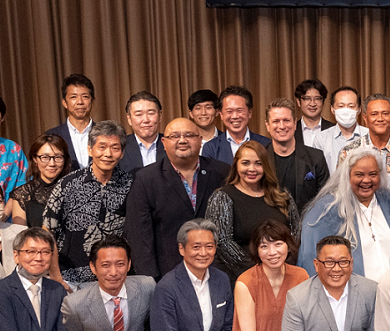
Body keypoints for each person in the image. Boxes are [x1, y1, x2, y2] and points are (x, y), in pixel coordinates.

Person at [124, 117, 230, 279]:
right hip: (168, 274)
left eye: (189, 135)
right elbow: (138, 235)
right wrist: (151, 278)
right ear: (164, 143)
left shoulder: (222, 172)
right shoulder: (146, 179)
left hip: (217, 272)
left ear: (200, 140)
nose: (182, 140)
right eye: (175, 136)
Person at [44, 121, 134, 287]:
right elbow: (48, 231)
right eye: (102, 146)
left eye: (115, 148)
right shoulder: (67, 184)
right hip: (72, 278)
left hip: (117, 278)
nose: (108, 153)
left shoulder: (130, 184)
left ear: (121, 153)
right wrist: (56, 277)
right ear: (89, 149)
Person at [298, 147, 390, 277]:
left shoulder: (385, 199)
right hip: (351, 294)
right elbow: (310, 257)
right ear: (347, 175)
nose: (367, 180)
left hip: (388, 293)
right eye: (359, 174)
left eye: (373, 174)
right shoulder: (327, 208)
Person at [206, 141, 295, 278]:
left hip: (282, 272)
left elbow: (295, 232)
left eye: (258, 163)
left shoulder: (282, 195)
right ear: (236, 165)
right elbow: (222, 242)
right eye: (245, 163)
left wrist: (280, 263)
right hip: (242, 276)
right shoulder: (222, 196)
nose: (252, 169)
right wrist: (259, 269)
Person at [337, 94, 390, 220]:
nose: (380, 118)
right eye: (374, 114)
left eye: (385, 113)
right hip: (362, 229)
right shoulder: (348, 153)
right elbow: (341, 195)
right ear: (365, 118)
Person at [265, 97, 329, 216]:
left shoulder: (316, 157)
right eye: (276, 121)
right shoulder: (260, 159)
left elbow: (325, 199)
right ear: (267, 125)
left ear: (295, 123)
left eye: (286, 120)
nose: (282, 126)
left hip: (306, 227)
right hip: (270, 229)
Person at [203, 85, 272, 165]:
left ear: (250, 113)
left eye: (240, 110)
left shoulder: (266, 144)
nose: (235, 116)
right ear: (221, 115)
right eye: (229, 111)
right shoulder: (211, 148)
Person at [10, 134, 69, 228]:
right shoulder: (22, 194)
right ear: (35, 159)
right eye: (45, 157)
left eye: (58, 157)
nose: (52, 163)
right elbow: (20, 236)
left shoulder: (76, 189)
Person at [46, 73, 96, 171]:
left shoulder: (105, 134)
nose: (80, 102)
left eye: (85, 96)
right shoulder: (51, 136)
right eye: (73, 97)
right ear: (64, 103)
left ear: (92, 100)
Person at [313, 85, 368, 171]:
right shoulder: (321, 139)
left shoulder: (370, 136)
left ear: (359, 110)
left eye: (351, 106)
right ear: (332, 109)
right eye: (341, 106)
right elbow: (317, 173)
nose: (346, 111)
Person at [117, 91, 166, 174]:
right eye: (139, 114)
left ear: (160, 116)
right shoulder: (120, 146)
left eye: (151, 113)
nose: (146, 120)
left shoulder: (172, 144)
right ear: (129, 119)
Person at [295, 78, 335, 146]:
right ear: (299, 102)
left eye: (317, 99)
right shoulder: (291, 130)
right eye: (307, 98)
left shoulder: (334, 130)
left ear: (323, 102)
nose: (312, 104)